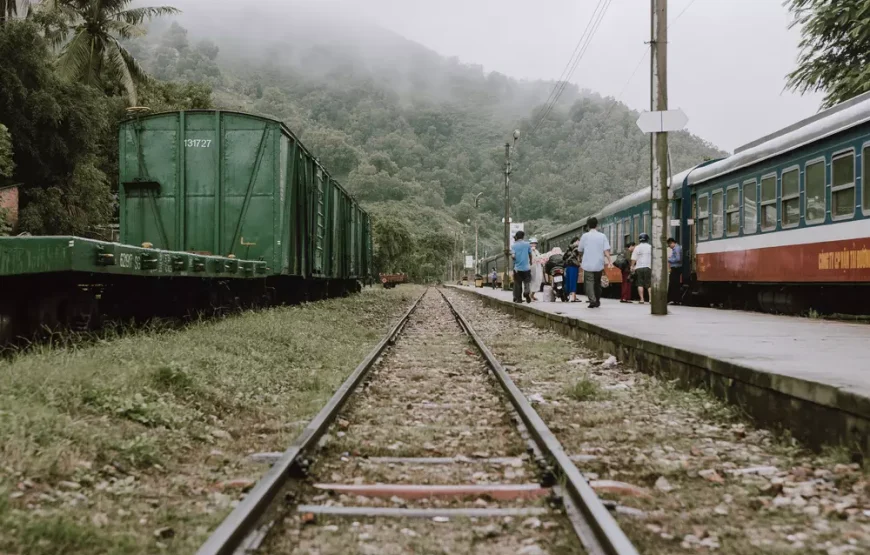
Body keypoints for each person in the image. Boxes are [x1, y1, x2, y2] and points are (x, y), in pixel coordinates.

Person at [577, 217, 613, 308]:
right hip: (599, 264)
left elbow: (580, 250)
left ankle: (592, 300)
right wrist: (609, 261)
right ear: (597, 225)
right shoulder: (602, 236)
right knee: (597, 283)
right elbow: (606, 250)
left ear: (588, 226)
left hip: (588, 264)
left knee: (589, 283)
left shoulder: (585, 236)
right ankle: (597, 300)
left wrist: (580, 258)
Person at [510, 230, 533, 303]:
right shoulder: (527, 244)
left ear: (516, 237)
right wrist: (530, 261)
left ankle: (519, 299)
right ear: (523, 237)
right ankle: (526, 292)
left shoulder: (513, 245)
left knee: (518, 284)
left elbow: (513, 256)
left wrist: (514, 259)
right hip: (526, 268)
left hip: (517, 268)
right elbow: (530, 254)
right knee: (527, 282)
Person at [631, 233, 653, 304]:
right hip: (648, 267)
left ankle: (642, 299)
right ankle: (650, 299)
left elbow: (634, 258)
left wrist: (632, 266)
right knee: (649, 284)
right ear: (647, 239)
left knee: (640, 284)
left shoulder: (637, 247)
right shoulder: (651, 247)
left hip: (639, 267)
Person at [563, 237, 582, 302]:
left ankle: (566, 295)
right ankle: (573, 297)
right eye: (579, 241)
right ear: (576, 241)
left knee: (568, 281)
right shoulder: (576, 248)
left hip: (568, 266)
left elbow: (564, 257)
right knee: (573, 281)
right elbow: (576, 256)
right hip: (574, 265)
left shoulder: (568, 248)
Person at [667, 237, 683, 304]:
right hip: (676, 268)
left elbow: (678, 258)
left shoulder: (676, 248)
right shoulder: (677, 248)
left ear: (672, 243)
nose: (669, 246)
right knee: (674, 284)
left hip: (676, 268)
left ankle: (674, 299)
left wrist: (669, 259)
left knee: (673, 284)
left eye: (669, 245)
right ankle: (675, 299)